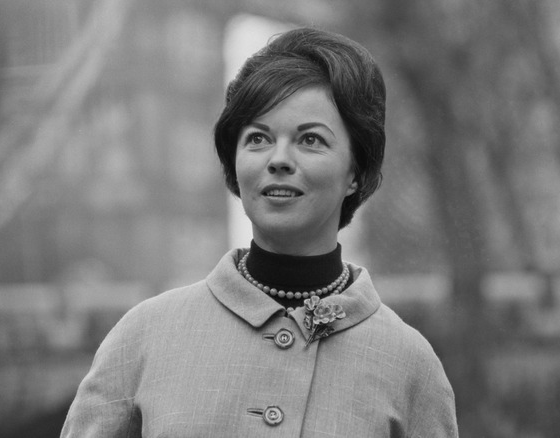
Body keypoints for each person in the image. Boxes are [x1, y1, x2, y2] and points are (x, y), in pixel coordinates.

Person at [61, 27, 458, 437]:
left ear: (356, 172)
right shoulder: (142, 339)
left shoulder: (409, 366)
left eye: (310, 139)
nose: (279, 159)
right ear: (234, 161)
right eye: (258, 138)